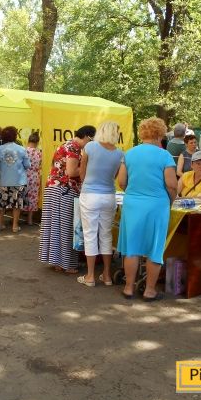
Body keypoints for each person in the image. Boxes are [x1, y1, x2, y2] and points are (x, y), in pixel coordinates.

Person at [117, 118, 177, 301]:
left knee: (131, 247)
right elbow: (172, 185)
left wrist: (134, 193)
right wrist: (170, 201)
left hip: (132, 204)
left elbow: (121, 182)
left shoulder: (129, 153)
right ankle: (149, 290)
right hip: (157, 205)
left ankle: (128, 287)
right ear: (160, 134)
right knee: (154, 249)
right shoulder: (164, 155)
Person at [39, 125, 96, 274]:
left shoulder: (67, 144)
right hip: (64, 190)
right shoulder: (74, 147)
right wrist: (89, 167)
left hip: (55, 189)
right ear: (87, 137)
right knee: (67, 228)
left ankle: (58, 262)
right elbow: (72, 172)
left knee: (55, 227)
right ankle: (67, 264)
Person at [77, 121, 123, 287]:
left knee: (90, 235)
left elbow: (82, 173)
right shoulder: (120, 153)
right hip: (109, 196)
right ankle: (107, 275)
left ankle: (90, 276)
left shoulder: (90, 147)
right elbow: (115, 177)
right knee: (106, 235)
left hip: (90, 194)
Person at [0, 126, 30, 233]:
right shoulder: (22, 149)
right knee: (17, 204)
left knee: (1, 204)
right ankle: (15, 226)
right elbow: (27, 165)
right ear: (15, 136)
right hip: (18, 181)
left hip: (2, 180)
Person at [23, 132, 42, 225]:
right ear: (37, 142)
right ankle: (30, 220)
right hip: (35, 177)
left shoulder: (23, 151)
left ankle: (17, 219)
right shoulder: (39, 153)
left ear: (28, 140)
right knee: (32, 197)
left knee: (22, 196)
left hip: (23, 176)